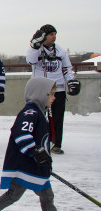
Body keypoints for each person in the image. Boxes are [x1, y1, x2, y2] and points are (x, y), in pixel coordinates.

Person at [0, 77, 77, 211]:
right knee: (17, 194)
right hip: (25, 165)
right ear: (40, 94)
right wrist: (35, 151)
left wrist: (45, 159)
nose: (54, 98)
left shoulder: (38, 112)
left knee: (44, 195)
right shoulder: (30, 112)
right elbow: (21, 133)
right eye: (51, 94)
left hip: (34, 165)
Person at [26, 24, 79, 155]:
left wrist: (71, 81)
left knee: (57, 118)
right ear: (44, 36)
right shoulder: (36, 49)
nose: (54, 37)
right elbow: (30, 60)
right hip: (41, 90)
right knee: (38, 117)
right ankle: (38, 142)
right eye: (51, 34)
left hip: (58, 89)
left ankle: (56, 143)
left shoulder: (60, 50)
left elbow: (67, 68)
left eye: (55, 34)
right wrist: (34, 46)